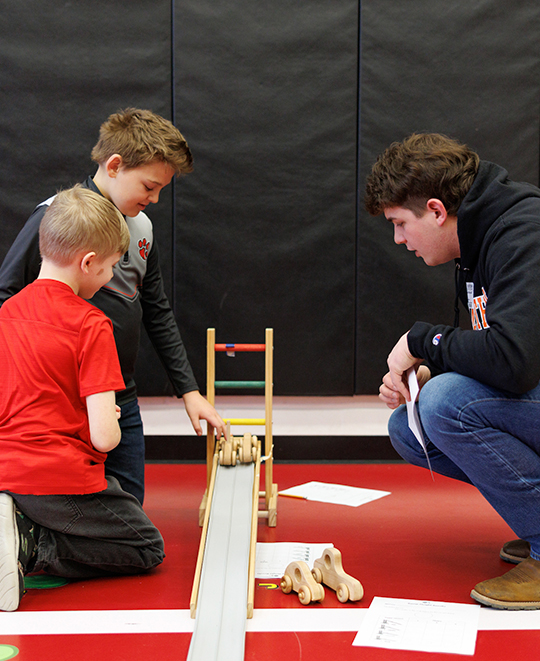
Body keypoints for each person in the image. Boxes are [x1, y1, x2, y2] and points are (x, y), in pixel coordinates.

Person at [0, 108, 226, 505]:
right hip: (61, 406)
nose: (154, 199)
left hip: (120, 397)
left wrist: (189, 390)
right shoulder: (57, 217)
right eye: (149, 186)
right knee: (62, 510)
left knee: (126, 508)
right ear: (116, 165)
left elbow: (155, 308)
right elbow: (7, 299)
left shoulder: (141, 229)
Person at [365, 132, 540, 610]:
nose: (399, 239)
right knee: (410, 425)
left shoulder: (524, 231)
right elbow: (494, 356)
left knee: (446, 405)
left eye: (401, 224)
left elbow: (515, 361)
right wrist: (423, 376)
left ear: (437, 211)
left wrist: (422, 343)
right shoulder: (477, 241)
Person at [0, 186, 165, 612]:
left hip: (7, 470)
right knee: (147, 546)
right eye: (111, 267)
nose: (111, 278)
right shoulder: (92, 323)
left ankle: (17, 520)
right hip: (59, 479)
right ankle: (32, 545)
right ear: (88, 263)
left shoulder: (7, 313)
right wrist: (105, 414)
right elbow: (107, 439)